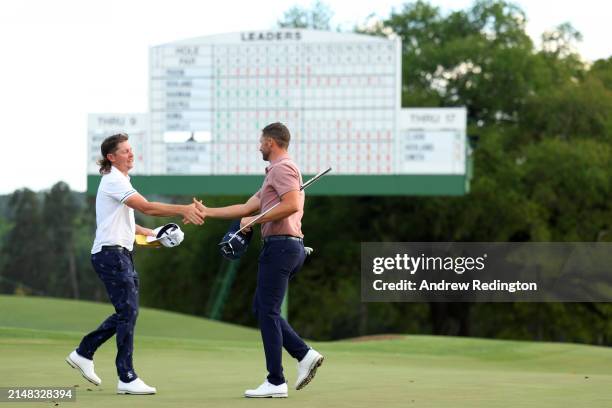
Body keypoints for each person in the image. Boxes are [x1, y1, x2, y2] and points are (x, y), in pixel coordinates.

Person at [66, 133, 205, 395]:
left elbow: (128, 223)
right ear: (111, 157)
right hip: (111, 255)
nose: (131, 154)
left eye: (131, 150)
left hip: (119, 254)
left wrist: (154, 234)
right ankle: (125, 376)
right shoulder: (113, 180)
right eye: (125, 151)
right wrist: (183, 209)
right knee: (127, 312)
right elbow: (148, 207)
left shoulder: (120, 181)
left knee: (126, 312)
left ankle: (85, 353)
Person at [194, 122, 324, 398]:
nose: (258, 145)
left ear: (272, 142)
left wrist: (256, 219)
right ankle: (304, 355)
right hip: (284, 248)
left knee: (267, 311)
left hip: (281, 247)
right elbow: (244, 208)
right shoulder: (272, 175)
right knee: (263, 309)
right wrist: (207, 212)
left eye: (261, 140)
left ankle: (276, 381)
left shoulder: (282, 168)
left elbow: (292, 205)